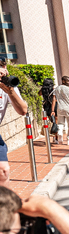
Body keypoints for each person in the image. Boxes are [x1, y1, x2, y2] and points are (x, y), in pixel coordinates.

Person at [0, 59, 28, 188]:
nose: (2, 70)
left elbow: (23, 110)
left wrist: (10, 92)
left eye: (3, 66)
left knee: (3, 171)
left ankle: (4, 206)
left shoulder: (8, 85)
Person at [50, 76, 69, 145]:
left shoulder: (56, 89)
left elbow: (54, 99)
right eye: (68, 81)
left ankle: (60, 134)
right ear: (63, 81)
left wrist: (52, 110)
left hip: (60, 108)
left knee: (60, 123)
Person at [39, 78, 57, 145]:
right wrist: (53, 110)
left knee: (52, 122)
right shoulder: (53, 90)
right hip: (54, 106)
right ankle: (56, 138)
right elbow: (54, 100)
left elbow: (39, 94)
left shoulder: (43, 90)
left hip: (47, 107)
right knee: (55, 122)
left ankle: (54, 138)